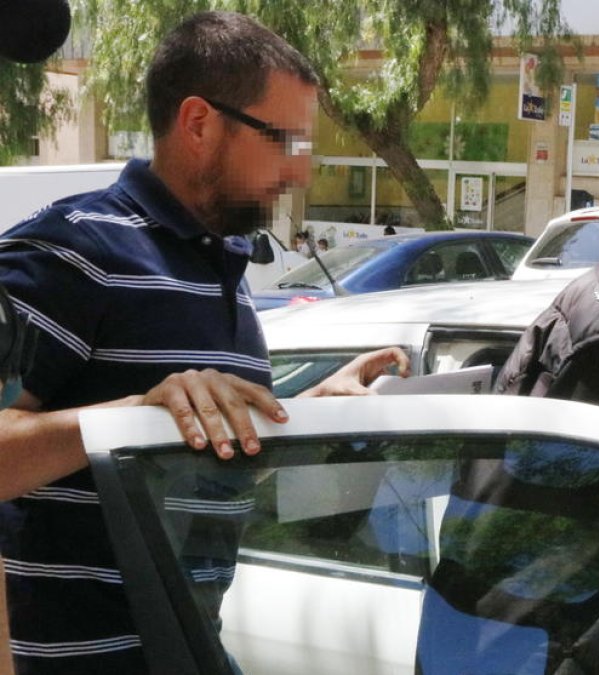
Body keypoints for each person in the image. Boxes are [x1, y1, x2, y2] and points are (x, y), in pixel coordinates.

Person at [0, 12, 407, 674]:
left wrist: (312, 416)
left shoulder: (225, 269)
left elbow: (197, 472)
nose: (299, 174)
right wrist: (136, 416)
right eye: (285, 143)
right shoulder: (71, 251)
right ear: (198, 123)